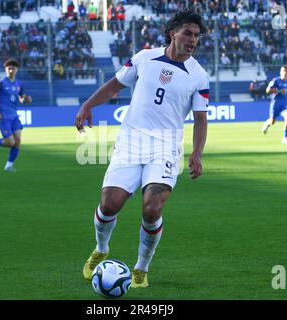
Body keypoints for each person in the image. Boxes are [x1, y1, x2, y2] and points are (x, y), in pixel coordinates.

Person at [75, 8, 209, 288]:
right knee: (109, 204)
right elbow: (114, 86)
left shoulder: (198, 76)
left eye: (197, 35)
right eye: (188, 33)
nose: (193, 39)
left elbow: (200, 119)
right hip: (130, 142)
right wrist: (88, 104)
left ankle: (141, 268)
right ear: (173, 33)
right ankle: (101, 248)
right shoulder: (145, 57)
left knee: (152, 208)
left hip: (166, 148)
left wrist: (196, 152)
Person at [0, 58, 32, 172]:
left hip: (14, 116)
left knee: (18, 141)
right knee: (10, 142)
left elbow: (21, 98)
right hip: (3, 116)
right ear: (5, 70)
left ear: (17, 70)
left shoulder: (19, 84)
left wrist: (26, 99)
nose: (11, 70)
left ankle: (8, 166)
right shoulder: (0, 83)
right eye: (9, 68)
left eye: (13, 68)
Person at [262, 65, 287, 145]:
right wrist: (279, 91)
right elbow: (267, 90)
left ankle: (284, 138)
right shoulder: (275, 81)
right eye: (284, 71)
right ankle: (267, 123)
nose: (286, 73)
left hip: (284, 104)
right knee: (272, 122)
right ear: (281, 72)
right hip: (275, 105)